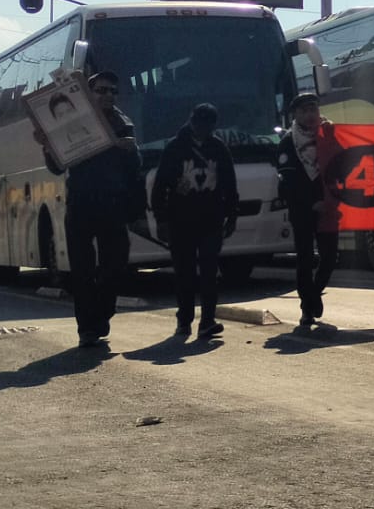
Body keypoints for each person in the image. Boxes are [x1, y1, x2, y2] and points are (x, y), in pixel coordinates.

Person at [35, 69, 146, 350]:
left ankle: (102, 313)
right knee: (82, 270)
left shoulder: (123, 125)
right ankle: (87, 328)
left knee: (115, 267)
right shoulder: (69, 123)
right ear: (88, 94)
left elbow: (135, 170)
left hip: (113, 206)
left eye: (112, 91)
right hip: (81, 205)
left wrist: (129, 151)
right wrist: (48, 146)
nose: (108, 95)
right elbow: (57, 167)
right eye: (101, 90)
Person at [152, 102, 239, 341]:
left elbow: (229, 184)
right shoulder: (175, 148)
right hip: (180, 221)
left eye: (207, 125)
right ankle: (184, 321)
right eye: (198, 124)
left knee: (210, 272)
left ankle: (207, 321)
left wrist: (232, 216)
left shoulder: (219, 148)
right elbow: (160, 186)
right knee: (184, 273)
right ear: (192, 122)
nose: (202, 129)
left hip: (211, 220)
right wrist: (161, 220)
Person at [276, 92, 338, 333]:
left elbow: (343, 165)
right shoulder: (288, 142)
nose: (310, 115)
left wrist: (329, 200)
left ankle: (313, 294)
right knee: (304, 257)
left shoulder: (329, 135)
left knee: (330, 257)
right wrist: (311, 202)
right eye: (304, 111)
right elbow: (289, 182)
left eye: (313, 109)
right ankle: (306, 308)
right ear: (295, 115)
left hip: (329, 207)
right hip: (301, 209)